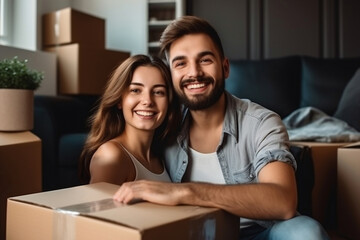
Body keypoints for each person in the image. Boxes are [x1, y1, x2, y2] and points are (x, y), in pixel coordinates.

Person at [113, 16, 330, 239]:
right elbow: (127, 133)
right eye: (181, 63)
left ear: (225, 68)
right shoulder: (165, 123)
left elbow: (282, 201)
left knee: (307, 232)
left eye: (205, 60)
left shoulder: (262, 123)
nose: (194, 73)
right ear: (170, 76)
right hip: (195, 234)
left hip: (261, 233)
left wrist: (184, 191)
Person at [79, 54, 180, 185]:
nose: (148, 101)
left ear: (169, 103)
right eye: (136, 90)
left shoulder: (163, 157)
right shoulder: (111, 155)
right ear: (119, 100)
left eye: (158, 92)